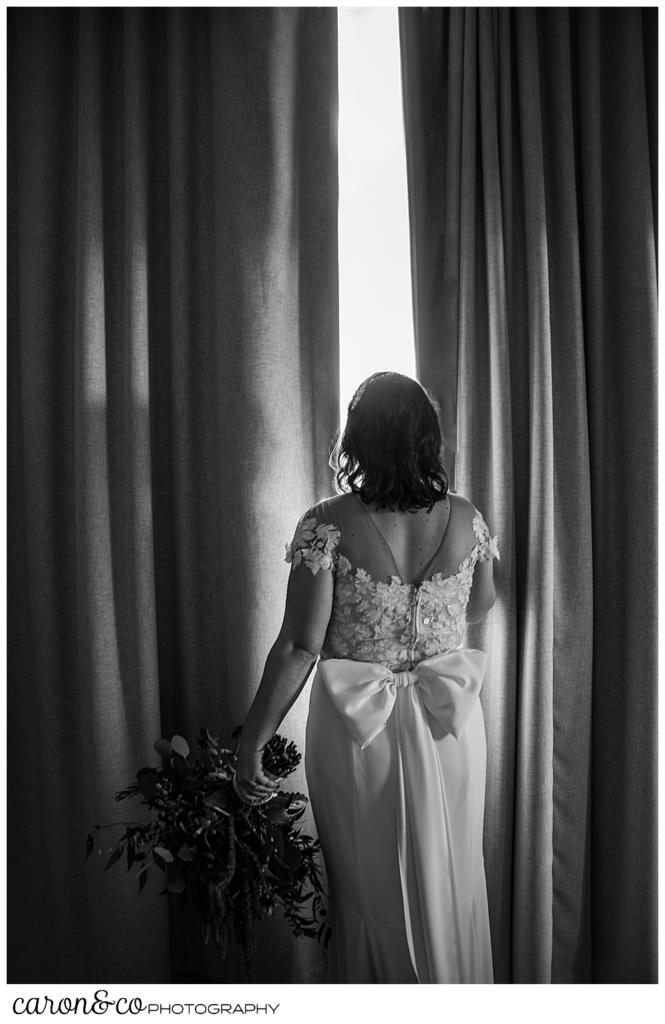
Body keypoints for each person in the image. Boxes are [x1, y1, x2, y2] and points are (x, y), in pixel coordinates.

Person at [235, 371, 499, 983]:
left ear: (357, 439)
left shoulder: (325, 523)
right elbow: (478, 605)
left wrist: (252, 741)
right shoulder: (466, 518)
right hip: (450, 726)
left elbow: (300, 647)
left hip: (357, 732)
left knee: (366, 894)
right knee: (454, 879)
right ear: (427, 439)